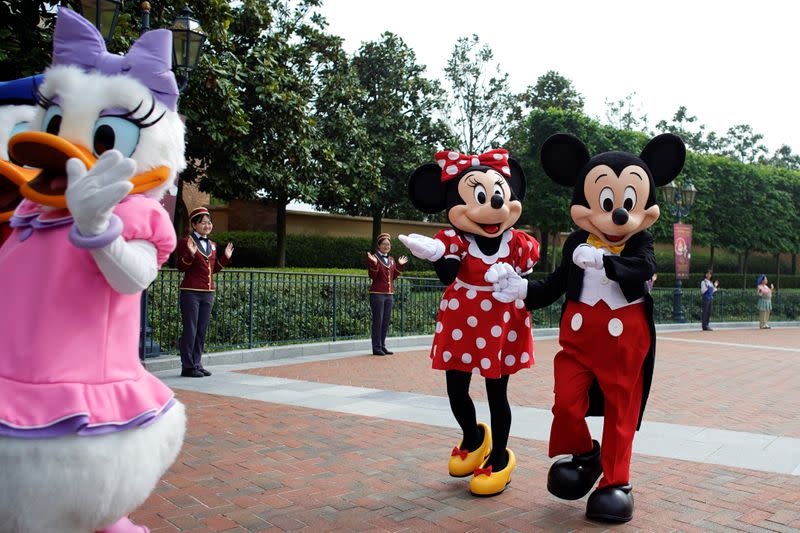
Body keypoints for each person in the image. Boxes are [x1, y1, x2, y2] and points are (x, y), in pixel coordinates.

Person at [401, 148, 540, 497]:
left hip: (501, 322)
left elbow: (526, 273)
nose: (492, 206)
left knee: (497, 393)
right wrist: (435, 255)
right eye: (480, 197)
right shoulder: (455, 240)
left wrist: (513, 278)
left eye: (498, 196)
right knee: (456, 389)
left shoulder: (518, 244)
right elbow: (448, 274)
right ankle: (473, 436)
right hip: (462, 322)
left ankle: (498, 458)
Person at [176, 207, 233, 377]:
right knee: (191, 329)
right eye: (203, 222)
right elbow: (181, 266)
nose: (207, 225)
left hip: (208, 292)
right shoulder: (186, 241)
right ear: (194, 225)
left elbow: (213, 269)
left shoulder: (213, 245)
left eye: (209, 222)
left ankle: (197, 363)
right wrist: (191, 254)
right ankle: (187, 366)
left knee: (202, 329)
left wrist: (225, 258)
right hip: (191, 291)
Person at [366, 233, 407, 355]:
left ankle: (382, 345)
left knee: (385, 321)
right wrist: (373, 264)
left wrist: (399, 265)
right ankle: (376, 347)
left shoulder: (391, 260)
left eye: (388, 244)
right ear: (379, 246)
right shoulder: (374, 258)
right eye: (384, 244)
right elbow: (372, 276)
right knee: (378, 321)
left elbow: (393, 276)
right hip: (377, 294)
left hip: (389, 294)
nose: (386, 246)